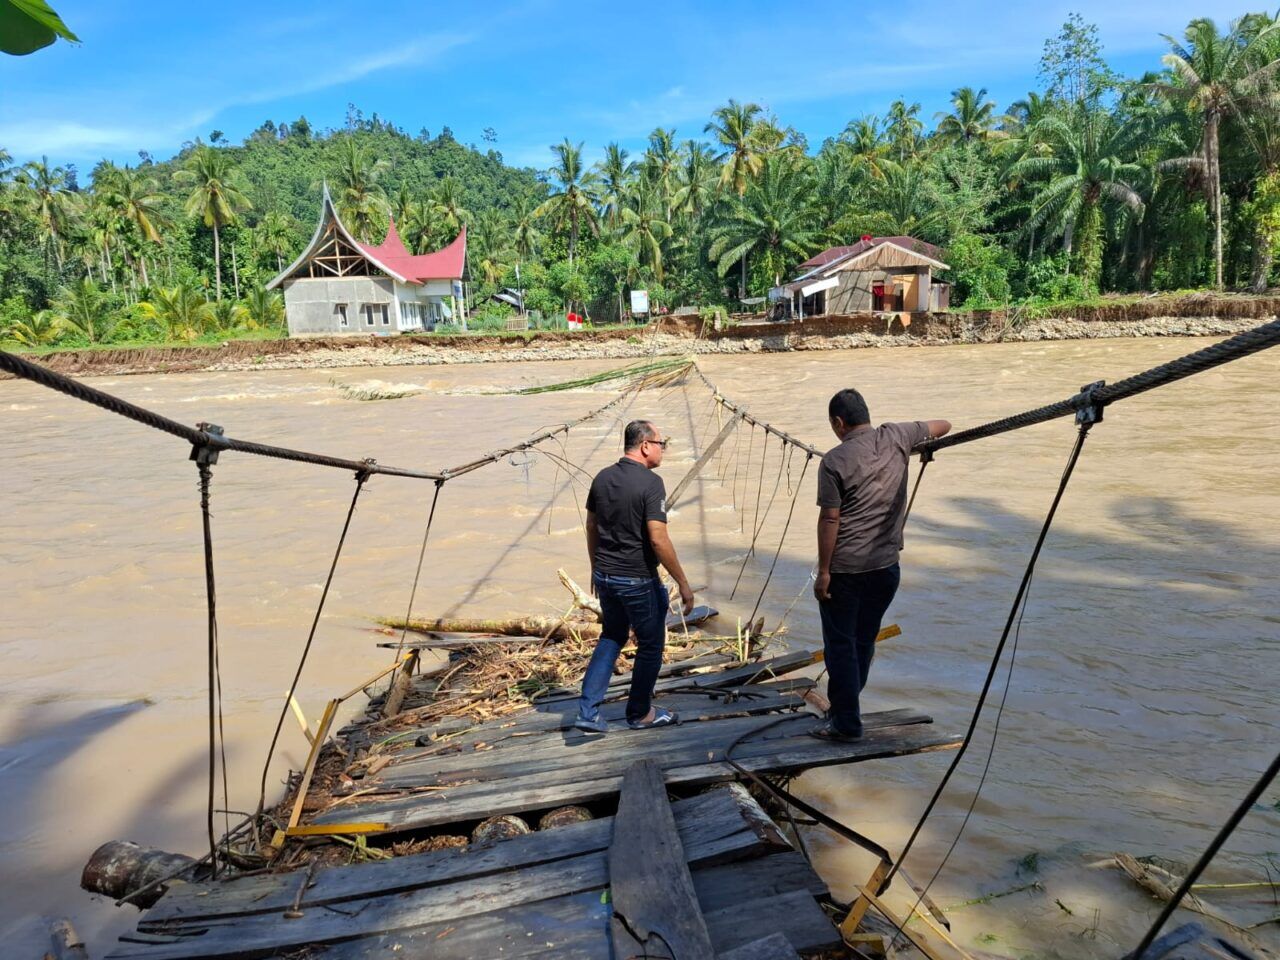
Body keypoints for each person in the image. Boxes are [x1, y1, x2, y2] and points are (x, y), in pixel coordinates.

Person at [811, 388, 951, 741]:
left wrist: (824, 573)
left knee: (841, 646)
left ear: (838, 423)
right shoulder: (897, 435)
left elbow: (830, 519)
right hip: (886, 569)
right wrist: (918, 444)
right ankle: (845, 711)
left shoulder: (833, 461)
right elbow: (944, 425)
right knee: (863, 641)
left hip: (845, 571)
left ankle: (846, 722)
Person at [575, 419, 694, 733]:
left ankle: (587, 713)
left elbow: (591, 526)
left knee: (612, 637)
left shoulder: (602, 477)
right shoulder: (651, 484)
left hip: (606, 576)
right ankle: (640, 713)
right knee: (651, 645)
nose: (663, 450)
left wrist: (596, 567)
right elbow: (658, 539)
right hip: (637, 579)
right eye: (660, 444)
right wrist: (683, 583)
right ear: (645, 446)